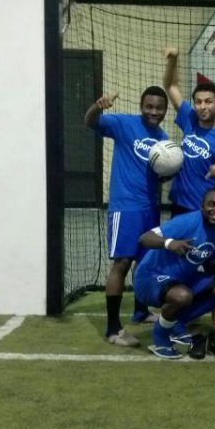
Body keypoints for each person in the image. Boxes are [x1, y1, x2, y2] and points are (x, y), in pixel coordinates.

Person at [84, 87, 168, 346]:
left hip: (150, 208)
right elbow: (89, 122)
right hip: (126, 207)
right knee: (122, 263)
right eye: (149, 106)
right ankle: (112, 329)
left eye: (159, 108)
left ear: (165, 110)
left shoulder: (162, 137)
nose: (153, 112)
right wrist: (98, 106)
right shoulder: (123, 123)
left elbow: (161, 174)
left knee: (145, 263)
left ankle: (141, 312)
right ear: (141, 105)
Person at [133, 189, 215, 359]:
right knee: (183, 296)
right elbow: (144, 238)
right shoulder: (187, 222)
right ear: (202, 206)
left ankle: (176, 324)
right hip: (149, 278)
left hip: (179, 280)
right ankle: (161, 337)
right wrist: (170, 243)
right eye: (212, 204)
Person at [162, 47, 215, 217]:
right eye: (198, 102)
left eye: (208, 102)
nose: (203, 107)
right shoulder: (190, 119)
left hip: (206, 211)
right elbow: (170, 85)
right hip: (179, 205)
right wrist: (174, 58)